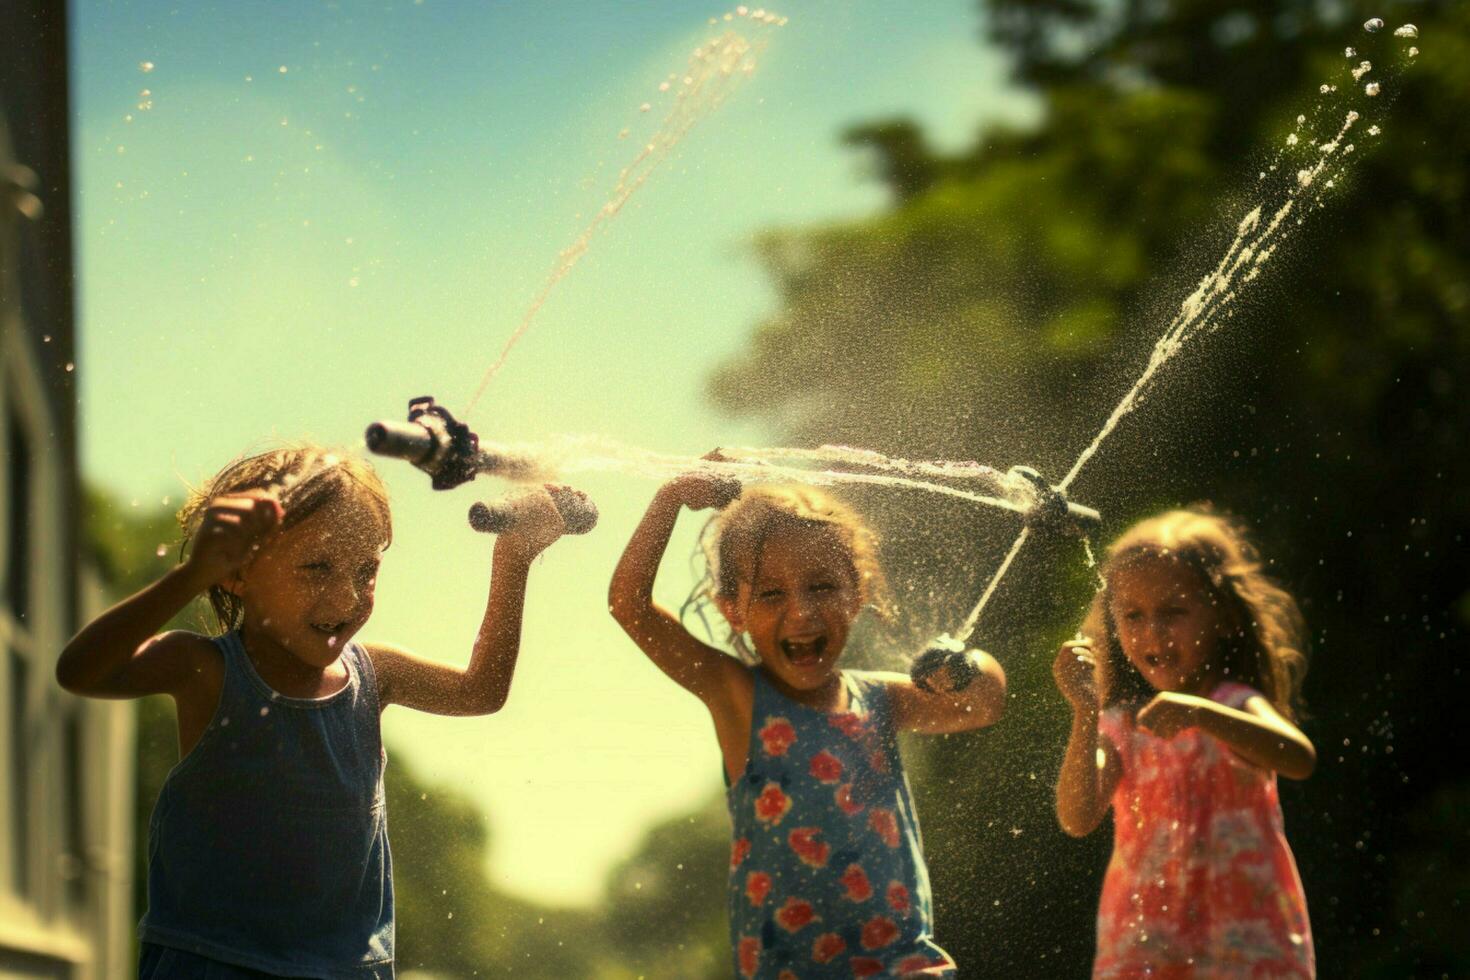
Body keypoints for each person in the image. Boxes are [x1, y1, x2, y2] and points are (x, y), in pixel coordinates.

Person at [57, 445, 573, 979]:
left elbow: (480, 691)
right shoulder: (204, 669)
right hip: (214, 963)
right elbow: (80, 671)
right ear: (237, 572)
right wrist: (191, 576)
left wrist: (514, 561)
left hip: (345, 970)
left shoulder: (376, 676)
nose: (347, 595)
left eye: (366, 569)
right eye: (317, 567)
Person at [609, 473, 1006, 979]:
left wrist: (970, 667)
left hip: (901, 965)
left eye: (822, 587)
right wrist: (668, 499)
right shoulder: (739, 697)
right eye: (772, 594)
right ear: (731, 609)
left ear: (857, 592)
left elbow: (985, 704)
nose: (802, 612)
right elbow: (630, 606)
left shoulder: (881, 699)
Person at [1052, 508, 1316, 978]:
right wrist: (1084, 711)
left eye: (1173, 612)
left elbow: (1298, 758)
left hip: (1247, 940)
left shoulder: (1234, 703)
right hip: (1147, 944)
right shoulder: (1122, 726)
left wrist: (1203, 714)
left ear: (1226, 617)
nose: (1152, 632)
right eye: (1133, 615)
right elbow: (1077, 817)